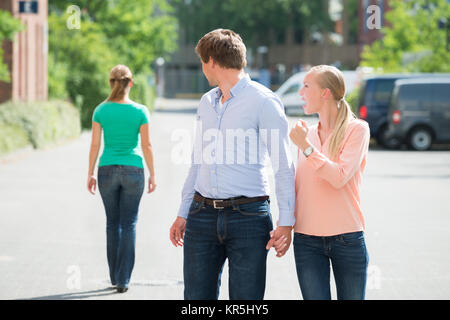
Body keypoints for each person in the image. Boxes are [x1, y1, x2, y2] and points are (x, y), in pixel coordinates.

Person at [169, 29, 295, 300]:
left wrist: (286, 221)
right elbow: (197, 161)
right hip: (202, 216)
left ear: (211, 61)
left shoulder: (264, 102)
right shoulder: (206, 102)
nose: (203, 69)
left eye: (203, 62)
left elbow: (283, 165)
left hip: (248, 218)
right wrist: (184, 211)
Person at [289, 65, 370, 300]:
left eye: (306, 86)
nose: (300, 93)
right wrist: (284, 224)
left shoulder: (357, 129)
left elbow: (338, 177)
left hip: (347, 239)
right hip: (306, 241)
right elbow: (299, 186)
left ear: (325, 93)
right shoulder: (308, 134)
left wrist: (306, 147)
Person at [87, 64, 156, 293]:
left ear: (111, 83)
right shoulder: (140, 111)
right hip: (133, 170)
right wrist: (153, 174)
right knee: (129, 224)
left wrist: (89, 173)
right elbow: (146, 145)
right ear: (131, 83)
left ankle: (115, 276)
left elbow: (95, 144)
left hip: (106, 169)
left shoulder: (100, 110)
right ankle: (124, 279)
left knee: (111, 224)